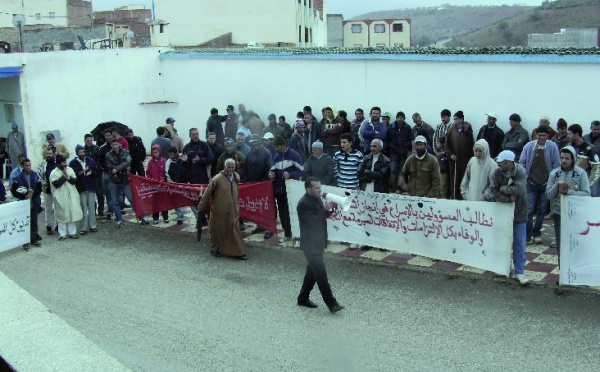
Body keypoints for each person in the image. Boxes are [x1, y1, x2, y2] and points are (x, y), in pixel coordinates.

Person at [296, 176, 344, 314]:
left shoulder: (316, 198)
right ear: (308, 189)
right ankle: (332, 304)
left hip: (318, 242)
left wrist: (329, 210)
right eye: (316, 188)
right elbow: (312, 221)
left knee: (311, 273)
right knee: (321, 276)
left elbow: (322, 217)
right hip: (310, 245)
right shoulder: (303, 203)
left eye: (320, 187)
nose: (319, 190)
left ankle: (302, 298)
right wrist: (325, 210)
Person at [545, 146, 590, 268]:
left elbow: (586, 194)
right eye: (562, 158)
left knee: (576, 242)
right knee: (561, 243)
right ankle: (563, 270)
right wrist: (557, 185)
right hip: (559, 213)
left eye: (567, 158)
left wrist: (569, 192)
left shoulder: (580, 173)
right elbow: (548, 195)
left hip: (576, 214)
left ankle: (576, 268)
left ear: (573, 159)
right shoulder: (554, 173)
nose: (563, 161)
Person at [490, 150, 529, 285]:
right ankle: (502, 268)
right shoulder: (496, 173)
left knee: (519, 242)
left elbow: (519, 190)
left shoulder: (521, 172)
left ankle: (519, 272)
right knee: (501, 241)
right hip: (502, 212)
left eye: (501, 162)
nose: (499, 164)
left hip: (519, 212)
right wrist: (507, 198)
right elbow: (494, 191)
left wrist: (503, 189)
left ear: (508, 162)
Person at [198, 158, 248, 260]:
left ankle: (239, 252)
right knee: (218, 231)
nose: (230, 169)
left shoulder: (234, 178)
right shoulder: (217, 179)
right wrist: (201, 207)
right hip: (219, 211)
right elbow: (207, 194)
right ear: (224, 167)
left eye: (232, 167)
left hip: (233, 211)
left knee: (233, 230)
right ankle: (215, 249)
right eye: (228, 167)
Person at [519, 125, 560, 244]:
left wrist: (552, 180)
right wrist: (524, 177)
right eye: (540, 135)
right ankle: (528, 235)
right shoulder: (529, 146)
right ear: (536, 135)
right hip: (530, 183)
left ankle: (537, 233)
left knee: (542, 210)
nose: (541, 137)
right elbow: (521, 162)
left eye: (544, 135)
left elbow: (556, 164)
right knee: (530, 209)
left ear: (548, 136)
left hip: (546, 184)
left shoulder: (552, 147)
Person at [106, 139, 149, 228]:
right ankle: (119, 219)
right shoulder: (108, 155)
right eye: (113, 145)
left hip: (125, 180)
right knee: (115, 201)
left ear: (119, 144)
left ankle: (142, 217)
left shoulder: (125, 152)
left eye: (116, 144)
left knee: (132, 199)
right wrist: (120, 167)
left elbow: (128, 162)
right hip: (114, 180)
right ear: (111, 145)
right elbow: (109, 166)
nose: (114, 146)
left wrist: (117, 169)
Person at [269, 135, 304, 243]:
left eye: (278, 146)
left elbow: (302, 171)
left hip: (291, 191)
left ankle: (298, 236)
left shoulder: (294, 155)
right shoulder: (276, 156)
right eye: (275, 147)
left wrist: (291, 174)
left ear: (284, 145)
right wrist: (271, 174)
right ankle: (287, 234)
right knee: (283, 214)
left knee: (293, 213)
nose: (276, 149)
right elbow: (273, 170)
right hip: (279, 191)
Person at [246, 134, 274, 239]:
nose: (254, 145)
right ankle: (260, 225)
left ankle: (270, 229)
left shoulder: (266, 153)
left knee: (267, 207)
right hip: (253, 185)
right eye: (252, 143)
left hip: (264, 184)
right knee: (257, 207)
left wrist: (264, 181)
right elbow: (247, 169)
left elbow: (269, 168)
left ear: (259, 142)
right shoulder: (249, 154)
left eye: (255, 143)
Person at [10, 158, 42, 249]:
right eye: (26, 165)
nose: (28, 167)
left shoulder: (35, 175)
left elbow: (39, 188)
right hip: (24, 204)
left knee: (34, 222)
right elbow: (14, 191)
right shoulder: (18, 177)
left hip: (34, 202)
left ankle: (34, 239)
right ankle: (25, 242)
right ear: (22, 166)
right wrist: (25, 195)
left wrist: (33, 193)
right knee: (24, 223)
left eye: (29, 165)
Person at [50, 155, 83, 240]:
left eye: (65, 162)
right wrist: (64, 176)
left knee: (72, 213)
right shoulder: (54, 173)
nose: (65, 164)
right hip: (60, 196)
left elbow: (74, 181)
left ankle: (72, 233)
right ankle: (62, 234)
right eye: (63, 162)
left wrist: (67, 175)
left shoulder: (70, 170)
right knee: (62, 214)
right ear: (58, 164)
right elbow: (56, 184)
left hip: (71, 195)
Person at [445, 110, 474, 200]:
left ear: (461, 119)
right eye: (454, 119)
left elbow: (471, 144)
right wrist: (450, 155)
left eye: (456, 119)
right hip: (454, 161)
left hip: (465, 160)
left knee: (464, 180)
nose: (455, 121)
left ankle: (463, 199)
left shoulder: (468, 130)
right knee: (454, 180)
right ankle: (454, 198)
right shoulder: (451, 130)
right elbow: (447, 145)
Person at [69, 145, 98, 235]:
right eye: (80, 152)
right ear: (77, 153)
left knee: (92, 207)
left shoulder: (90, 160)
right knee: (83, 209)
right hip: (81, 188)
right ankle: (83, 227)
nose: (82, 154)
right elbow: (73, 176)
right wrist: (81, 172)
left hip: (90, 186)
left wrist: (92, 172)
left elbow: (95, 171)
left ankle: (93, 226)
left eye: (83, 152)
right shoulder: (73, 163)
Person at [386, 111, 413, 193]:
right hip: (393, 152)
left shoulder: (408, 127)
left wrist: (406, 147)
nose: (400, 119)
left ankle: (399, 187)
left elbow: (411, 139)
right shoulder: (391, 127)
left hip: (403, 153)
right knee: (393, 169)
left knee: (402, 171)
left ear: (404, 119)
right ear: (396, 118)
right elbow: (387, 139)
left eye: (401, 117)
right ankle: (391, 187)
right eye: (398, 117)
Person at [147, 144, 169, 224]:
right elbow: (148, 172)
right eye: (153, 152)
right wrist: (151, 180)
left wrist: (164, 179)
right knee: (155, 202)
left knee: (164, 202)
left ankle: (165, 217)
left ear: (159, 152)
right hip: (154, 185)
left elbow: (166, 172)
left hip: (163, 185)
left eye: (156, 152)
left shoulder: (164, 161)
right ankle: (155, 218)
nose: (155, 154)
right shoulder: (150, 162)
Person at [83, 133, 104, 216]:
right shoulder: (83, 150)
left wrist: (98, 168)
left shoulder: (97, 148)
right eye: (87, 141)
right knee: (90, 194)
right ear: (84, 141)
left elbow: (100, 159)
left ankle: (101, 210)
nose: (89, 142)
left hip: (97, 174)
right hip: (88, 175)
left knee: (100, 193)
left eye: (91, 140)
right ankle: (93, 210)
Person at [165, 146, 187, 225]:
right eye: (169, 155)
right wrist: (171, 183)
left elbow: (186, 169)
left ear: (175, 153)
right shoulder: (168, 162)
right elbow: (167, 173)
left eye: (172, 154)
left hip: (183, 183)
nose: (170, 156)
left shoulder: (182, 159)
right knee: (176, 201)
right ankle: (180, 217)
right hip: (174, 184)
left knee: (189, 200)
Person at [583, 120, 600, 197]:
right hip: (585, 168)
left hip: (597, 169)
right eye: (595, 129)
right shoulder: (584, 138)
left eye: (598, 129)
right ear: (590, 128)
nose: (596, 131)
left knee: (595, 190)